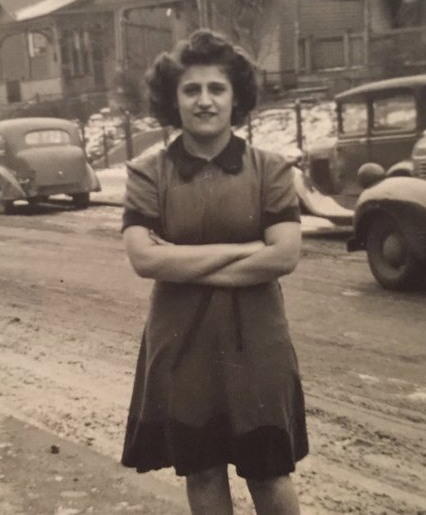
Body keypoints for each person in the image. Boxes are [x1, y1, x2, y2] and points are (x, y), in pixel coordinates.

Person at [121, 29, 308, 514]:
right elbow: (144, 259)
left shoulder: (271, 169)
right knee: (202, 473)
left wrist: (179, 260)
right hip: (181, 346)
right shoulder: (148, 173)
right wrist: (245, 249)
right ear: (173, 99)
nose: (204, 101)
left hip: (258, 345)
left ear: (236, 97)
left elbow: (285, 255)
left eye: (216, 89)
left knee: (269, 474)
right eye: (191, 89)